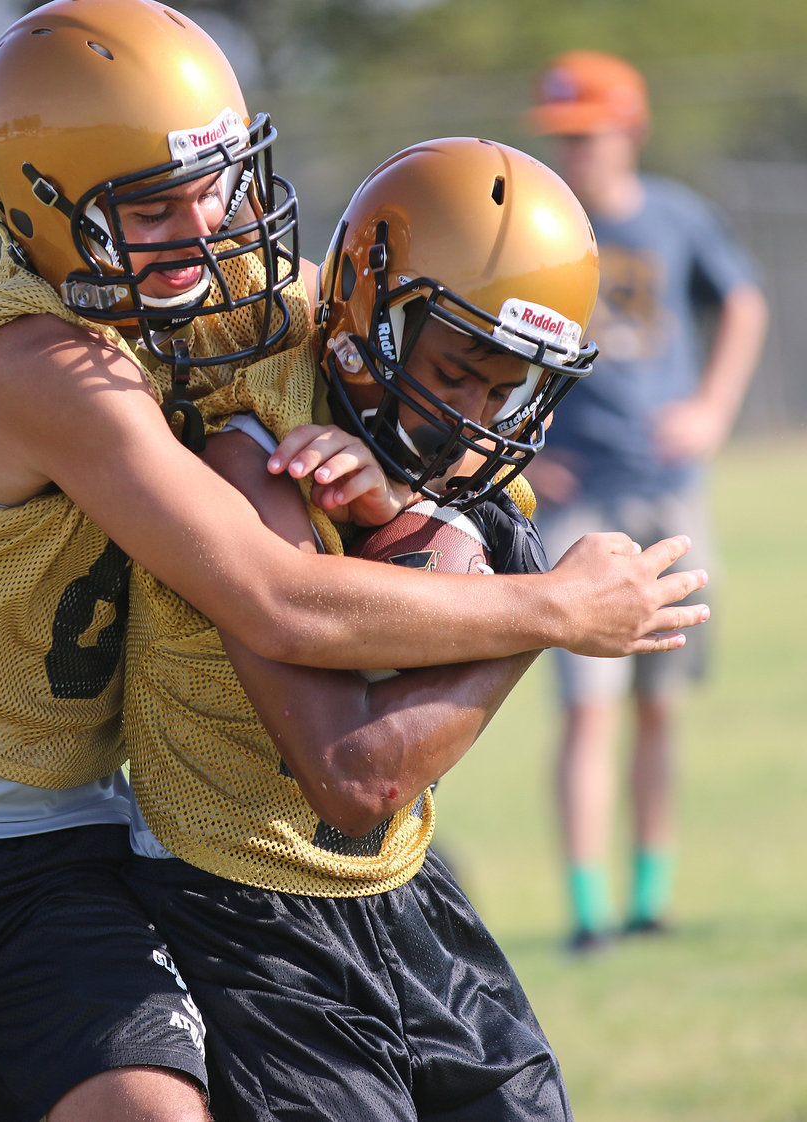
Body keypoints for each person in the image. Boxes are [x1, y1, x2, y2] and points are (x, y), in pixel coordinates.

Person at [0, 0, 706, 1112]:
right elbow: (278, 602)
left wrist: (397, 485)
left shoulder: (215, 296)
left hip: (60, 840)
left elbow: (407, 343)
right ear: (42, 205)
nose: (207, 229)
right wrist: (554, 607)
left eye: (220, 183)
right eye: (157, 205)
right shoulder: (38, 365)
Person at [122, 138, 708, 1121]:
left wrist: (420, 510)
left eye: (505, 387)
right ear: (366, 322)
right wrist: (548, 610)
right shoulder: (251, 456)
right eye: (455, 371)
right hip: (246, 905)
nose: (475, 416)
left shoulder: (418, 462)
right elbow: (357, 777)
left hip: (400, 886)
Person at [526, 50, 768, 951]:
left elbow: (744, 302)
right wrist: (524, 453)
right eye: (563, 138)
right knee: (588, 705)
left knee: (660, 704)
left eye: (589, 134)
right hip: (581, 502)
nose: (576, 153)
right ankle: (587, 913)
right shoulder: (544, 227)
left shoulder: (674, 215)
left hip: (670, 493)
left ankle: (650, 898)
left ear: (630, 129)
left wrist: (712, 406)